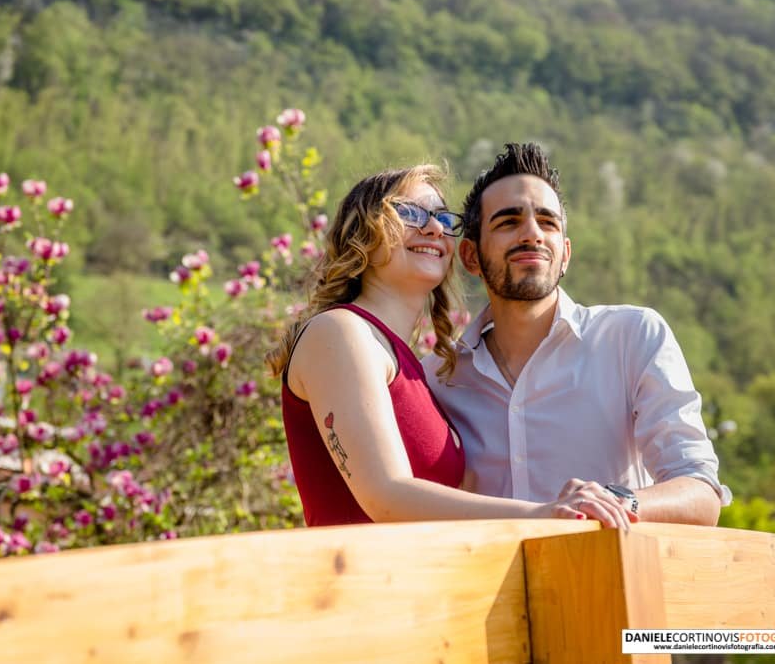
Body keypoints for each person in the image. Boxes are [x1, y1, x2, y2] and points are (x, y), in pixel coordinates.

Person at [267, 164, 636, 528]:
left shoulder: (416, 369)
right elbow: (385, 496)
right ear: (363, 233)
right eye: (410, 213)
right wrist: (544, 513)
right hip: (358, 582)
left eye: (444, 219)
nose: (433, 228)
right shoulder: (339, 331)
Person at [424, 143, 731, 525]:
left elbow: (701, 492)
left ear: (565, 253)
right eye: (508, 222)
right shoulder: (437, 376)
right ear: (471, 257)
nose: (532, 234)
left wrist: (615, 502)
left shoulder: (632, 338)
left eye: (548, 222)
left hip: (607, 582)